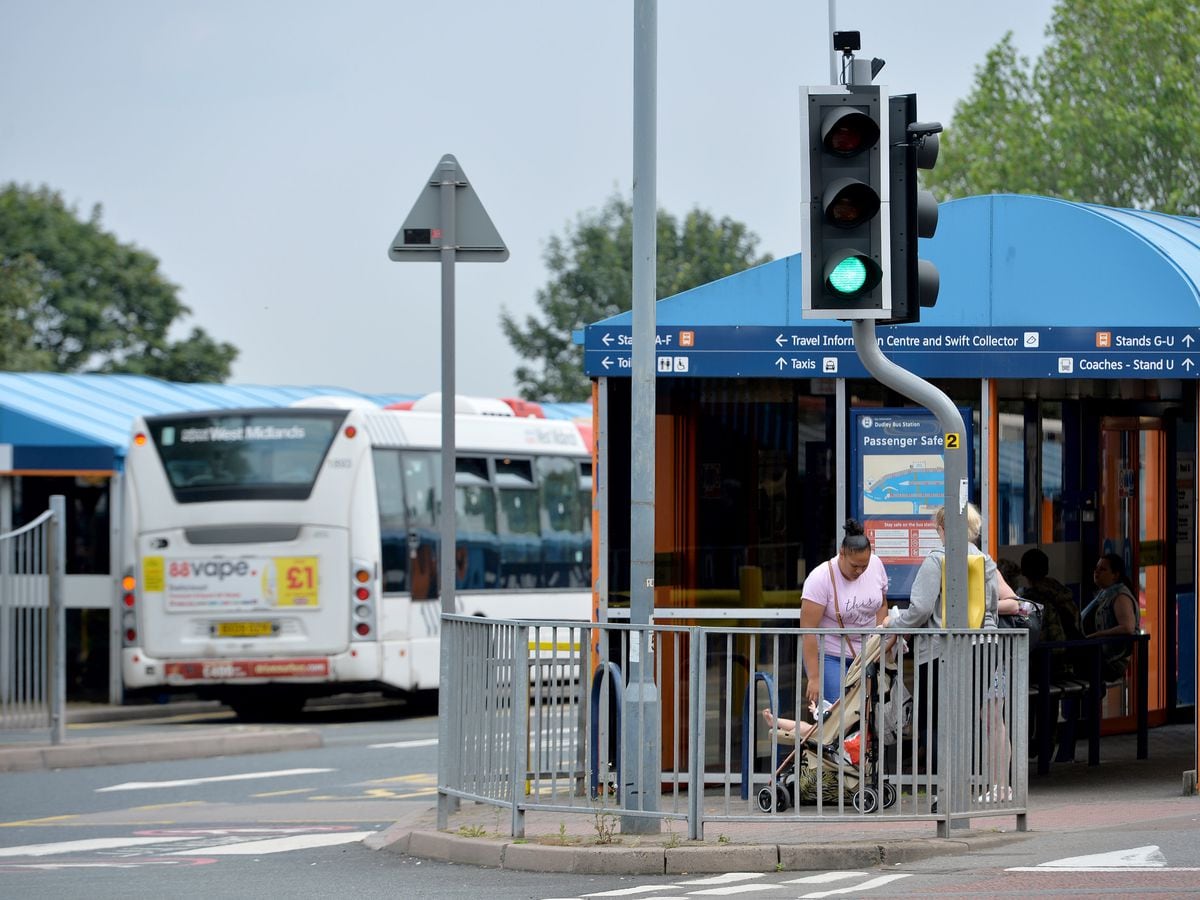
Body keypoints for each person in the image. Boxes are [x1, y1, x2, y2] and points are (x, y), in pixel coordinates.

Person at [885, 503, 1010, 800]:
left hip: (942, 651)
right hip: (984, 649)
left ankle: (947, 790)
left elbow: (921, 609)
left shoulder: (937, 560)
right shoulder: (985, 560)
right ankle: (998, 787)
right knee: (983, 718)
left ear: (943, 529)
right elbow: (991, 607)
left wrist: (893, 621)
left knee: (938, 721)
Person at [799, 519, 889, 708]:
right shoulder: (820, 578)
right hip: (832, 655)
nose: (860, 571)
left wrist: (880, 639)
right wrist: (814, 678)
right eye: (855, 565)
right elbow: (808, 630)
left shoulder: (876, 564)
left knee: (867, 711)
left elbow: (882, 604)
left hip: (868, 653)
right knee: (838, 713)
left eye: (864, 566)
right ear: (842, 554)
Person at [1021, 547, 1084, 678]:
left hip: (1046, 665)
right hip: (1070, 662)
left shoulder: (1032, 600)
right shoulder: (1062, 593)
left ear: (1025, 572)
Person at [1081, 552, 1141, 680]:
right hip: (1097, 656)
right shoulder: (1102, 595)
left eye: (1102, 569)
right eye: (1096, 568)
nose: (1097, 572)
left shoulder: (1120, 596)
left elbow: (1128, 628)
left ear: (1115, 575)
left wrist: (1096, 636)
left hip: (1110, 661)